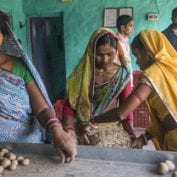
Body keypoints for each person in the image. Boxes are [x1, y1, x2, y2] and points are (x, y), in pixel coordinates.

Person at [0, 11, 77, 163]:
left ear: (4, 36)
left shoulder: (18, 67)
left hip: (27, 149)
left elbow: (41, 109)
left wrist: (57, 131)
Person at [92, 29, 177, 151]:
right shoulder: (171, 67)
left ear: (147, 52)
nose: (136, 62)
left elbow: (121, 113)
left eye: (137, 55)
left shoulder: (152, 74)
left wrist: (93, 120)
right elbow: (167, 117)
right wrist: (144, 138)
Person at [67, 27, 136, 147]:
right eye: (99, 54)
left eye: (110, 54)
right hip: (82, 123)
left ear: (117, 51)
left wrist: (131, 132)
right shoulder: (82, 73)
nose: (105, 59)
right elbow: (70, 103)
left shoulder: (122, 74)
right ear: (91, 51)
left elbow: (126, 105)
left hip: (108, 123)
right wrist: (69, 129)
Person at [116, 15, 134, 128]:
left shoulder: (125, 41)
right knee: (127, 105)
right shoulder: (117, 42)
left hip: (127, 77)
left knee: (126, 104)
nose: (132, 28)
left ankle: (126, 129)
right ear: (123, 28)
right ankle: (130, 130)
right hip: (122, 78)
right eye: (130, 26)